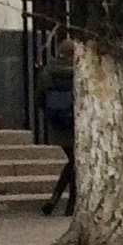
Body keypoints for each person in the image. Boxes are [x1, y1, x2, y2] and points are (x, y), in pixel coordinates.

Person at [39, 39, 77, 216]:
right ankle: (70, 203)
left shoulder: (48, 71)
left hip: (58, 124)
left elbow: (41, 98)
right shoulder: (78, 73)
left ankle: (55, 199)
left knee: (73, 162)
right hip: (75, 123)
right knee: (76, 163)